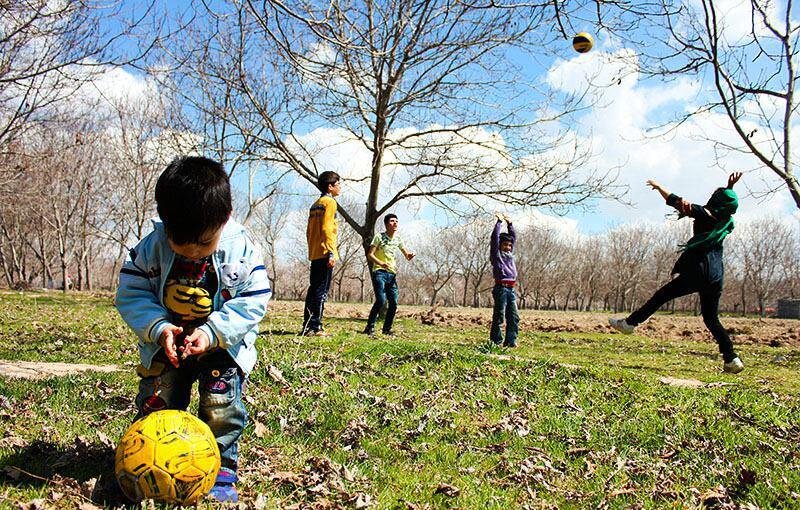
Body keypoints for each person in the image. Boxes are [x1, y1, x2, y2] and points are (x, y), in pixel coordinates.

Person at [115, 156, 271, 502]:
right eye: (180, 243)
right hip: (168, 345)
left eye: (203, 243)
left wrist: (213, 331)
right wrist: (158, 328)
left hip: (221, 348)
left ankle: (220, 471)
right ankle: (149, 465)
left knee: (221, 406)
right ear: (164, 222)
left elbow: (254, 299)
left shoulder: (240, 250)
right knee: (159, 400)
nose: (193, 251)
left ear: (225, 218)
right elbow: (130, 293)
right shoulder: (149, 249)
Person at [609, 172, 745, 374]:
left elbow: (677, 202)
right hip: (716, 275)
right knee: (711, 319)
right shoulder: (727, 221)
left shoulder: (705, 213)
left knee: (662, 295)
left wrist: (658, 187)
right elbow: (726, 205)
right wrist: (730, 188)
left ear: (716, 201)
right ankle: (731, 359)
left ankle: (629, 323)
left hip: (699, 270)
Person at [363, 213, 415, 336]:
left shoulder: (398, 239)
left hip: (392, 274)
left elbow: (406, 255)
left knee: (394, 302)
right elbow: (370, 254)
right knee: (381, 300)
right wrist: (381, 263)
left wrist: (410, 255)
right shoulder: (379, 237)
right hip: (379, 272)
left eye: (396, 221)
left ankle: (387, 329)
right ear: (386, 224)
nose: (395, 223)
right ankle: (369, 328)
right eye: (392, 221)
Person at [302, 171, 341, 336]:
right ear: (330, 186)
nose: (340, 187)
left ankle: (307, 326)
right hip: (325, 252)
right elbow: (326, 228)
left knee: (313, 290)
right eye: (338, 184)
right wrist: (331, 252)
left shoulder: (315, 204)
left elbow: (309, 230)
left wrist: (313, 249)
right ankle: (316, 327)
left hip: (315, 252)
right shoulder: (330, 202)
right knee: (321, 291)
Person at [489, 213, 520, 347]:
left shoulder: (510, 256)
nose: (507, 247)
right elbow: (494, 238)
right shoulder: (497, 256)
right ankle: (496, 342)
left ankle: (510, 341)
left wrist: (510, 224)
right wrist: (499, 223)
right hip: (501, 288)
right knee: (499, 316)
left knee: (513, 317)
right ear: (500, 245)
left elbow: (513, 238)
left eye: (509, 245)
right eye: (505, 245)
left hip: (511, 289)